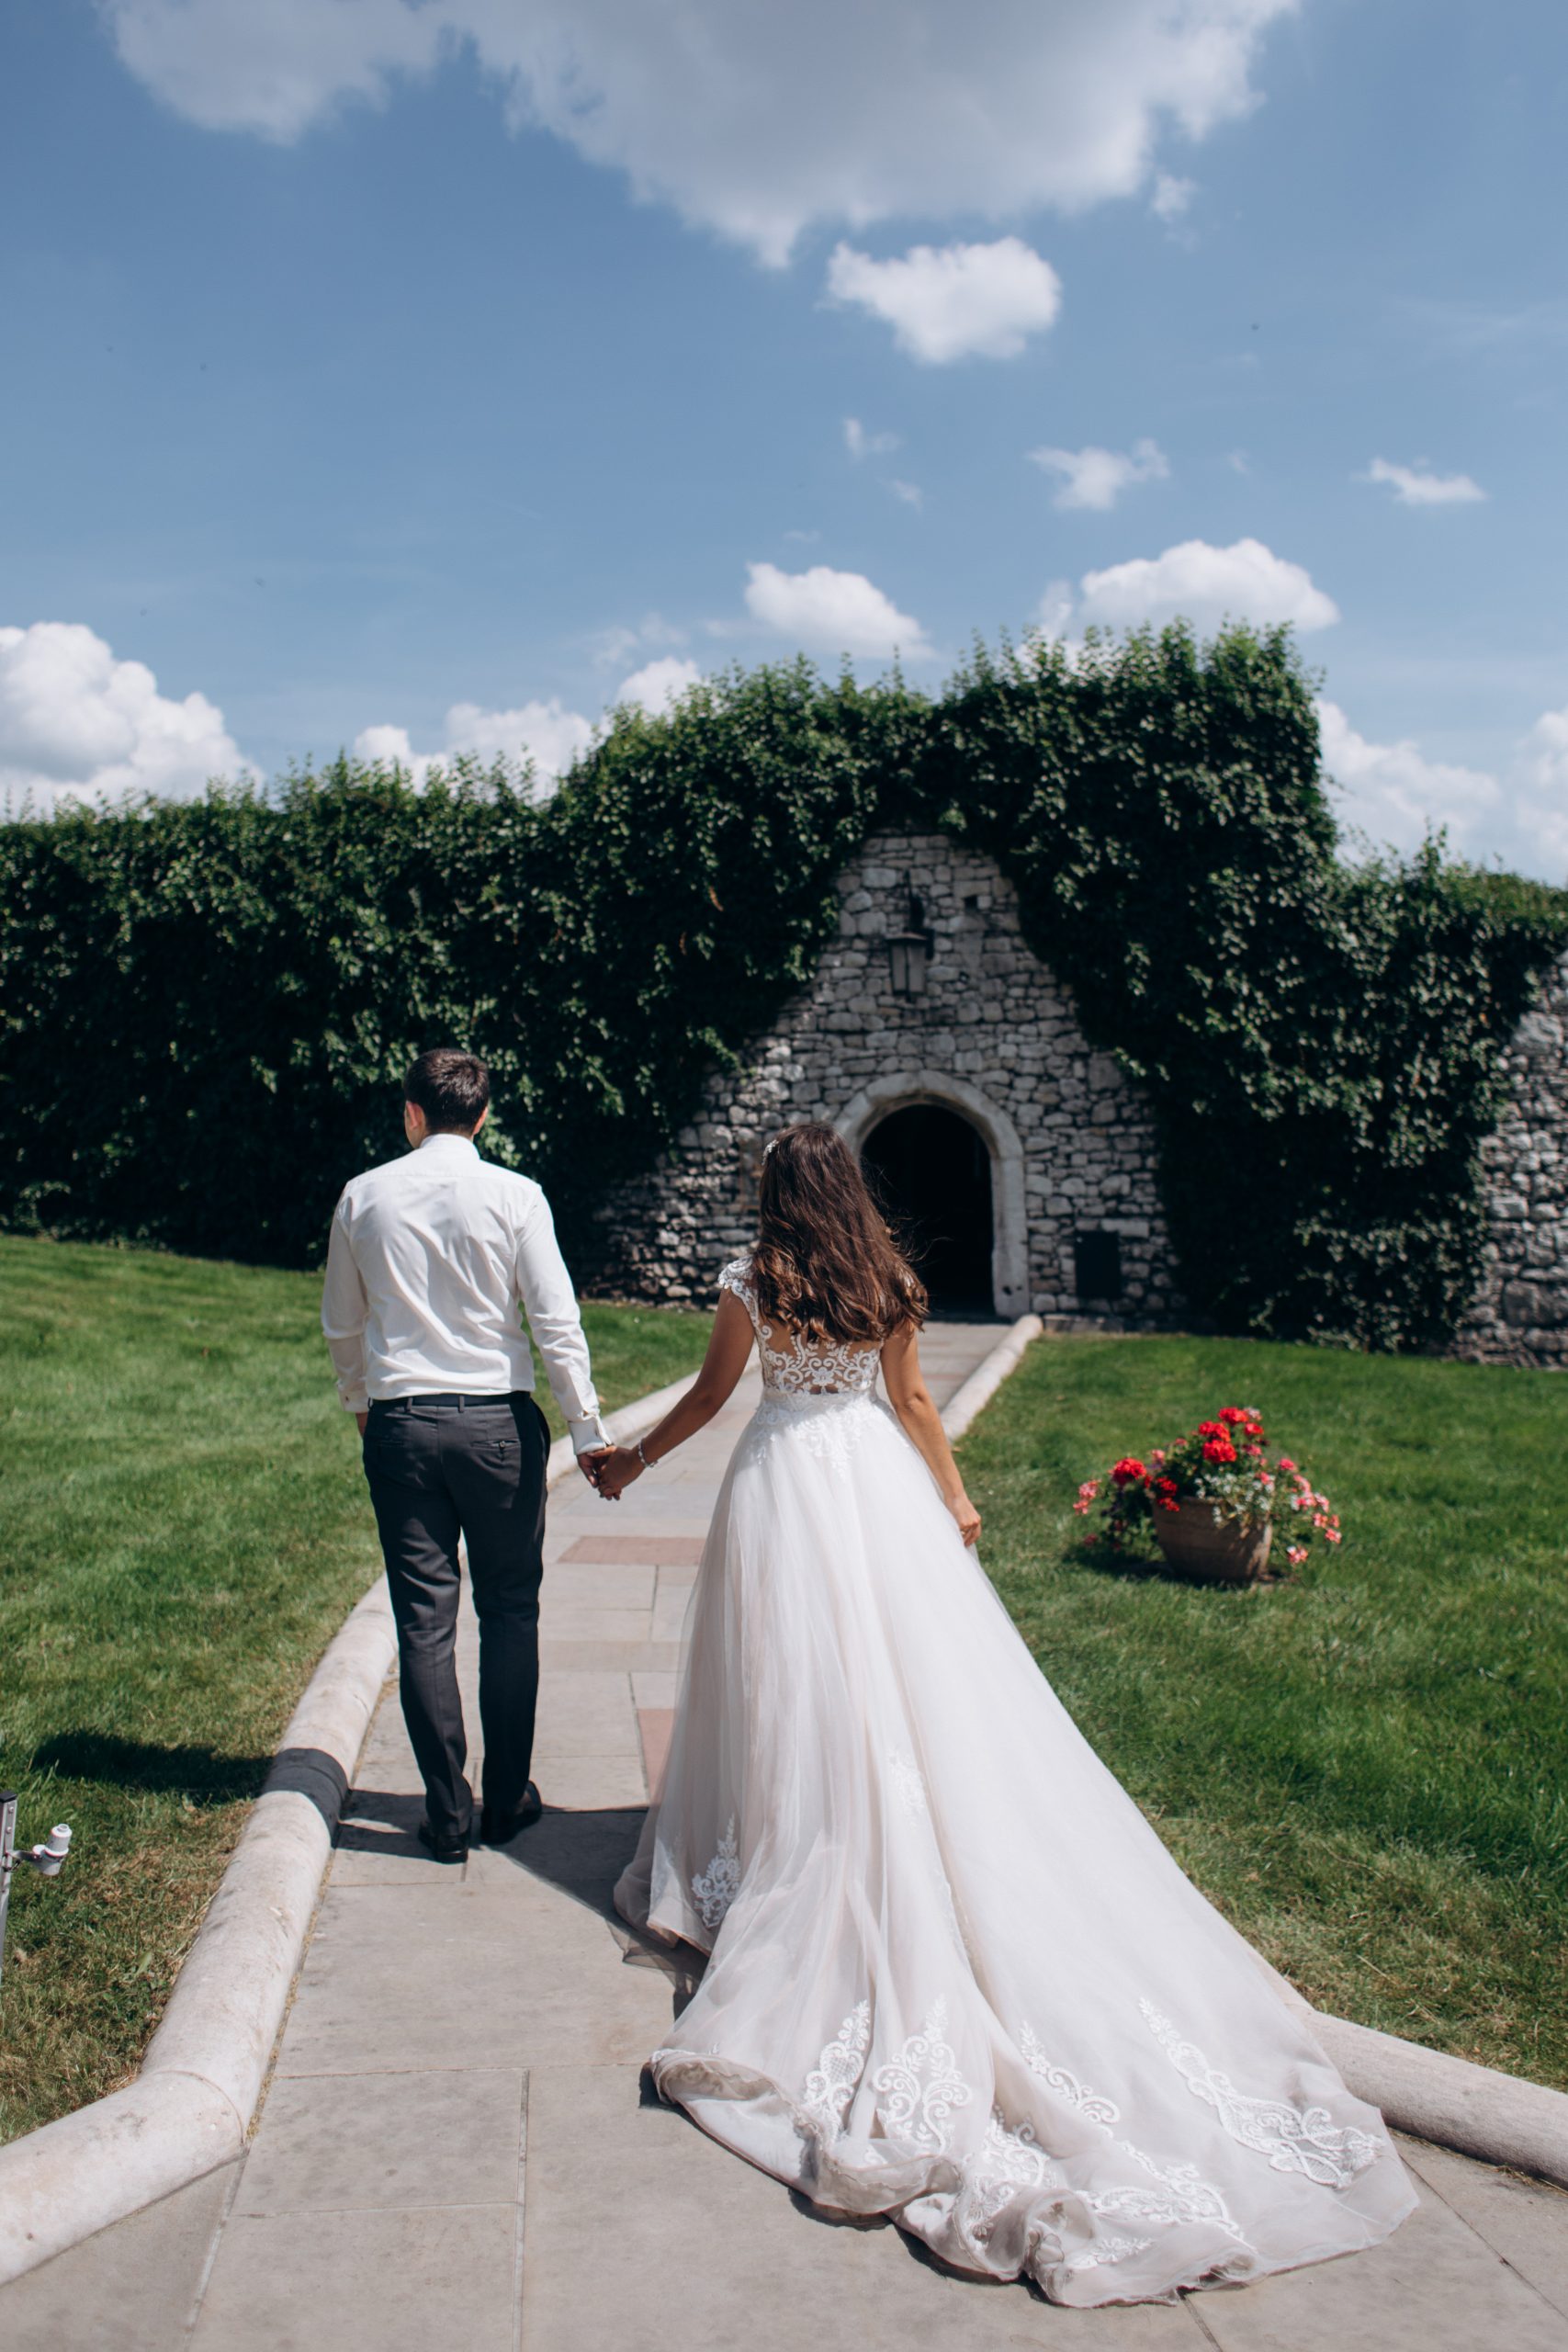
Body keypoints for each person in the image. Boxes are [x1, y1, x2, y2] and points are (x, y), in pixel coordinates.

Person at [597, 1123, 1415, 2308]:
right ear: (848, 1189)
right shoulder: (888, 1278)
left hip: (783, 1487)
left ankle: (783, 1846)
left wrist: (630, 1458)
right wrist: (956, 1497)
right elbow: (914, 1401)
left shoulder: (752, 1280)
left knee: (789, 1685)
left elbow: (715, 1398)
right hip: (872, 1484)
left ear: (777, 1192)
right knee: (894, 1683)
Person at [321, 1047, 610, 1864]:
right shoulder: (517, 1196)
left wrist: (360, 1404)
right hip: (497, 1427)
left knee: (424, 1620)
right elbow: (555, 1323)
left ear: (411, 1114)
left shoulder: (362, 1194)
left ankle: (446, 1815)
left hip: (402, 1423)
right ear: (482, 1117)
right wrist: (587, 1429)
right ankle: (506, 1798)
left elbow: (342, 1322)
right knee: (511, 1610)